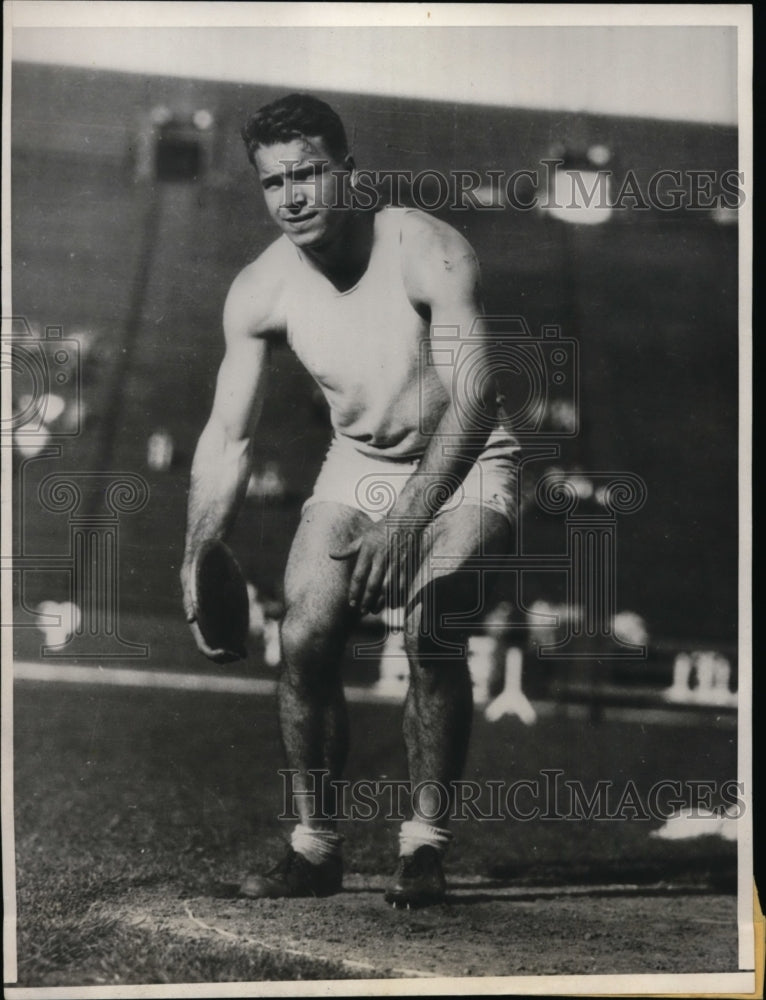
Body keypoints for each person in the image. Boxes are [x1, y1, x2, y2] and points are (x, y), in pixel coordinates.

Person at [180, 93, 520, 907]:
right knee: (304, 632)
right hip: (361, 459)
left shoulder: (429, 251)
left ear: (350, 175)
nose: (292, 196)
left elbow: (474, 406)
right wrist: (197, 551)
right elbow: (228, 437)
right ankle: (313, 850)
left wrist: (406, 526)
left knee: (433, 623)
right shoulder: (260, 289)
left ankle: (425, 847)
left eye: (309, 174)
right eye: (274, 183)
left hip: (466, 457)